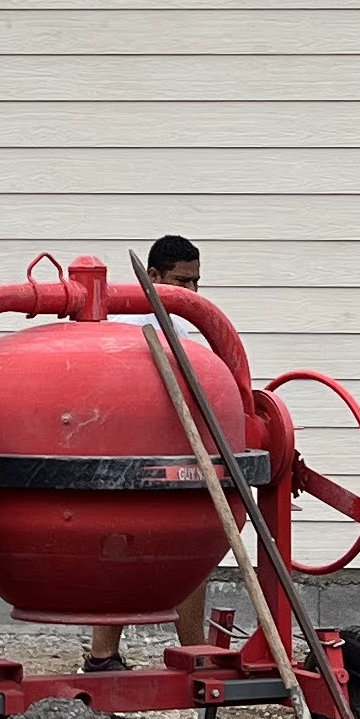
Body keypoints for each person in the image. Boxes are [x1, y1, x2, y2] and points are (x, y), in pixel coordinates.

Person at [83, 235, 215, 678]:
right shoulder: (124, 326)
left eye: (197, 282)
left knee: (188, 549)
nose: (191, 293)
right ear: (152, 278)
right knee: (126, 550)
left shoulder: (188, 331)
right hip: (129, 453)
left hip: (178, 449)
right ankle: (106, 655)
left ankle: (193, 652)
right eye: (182, 281)